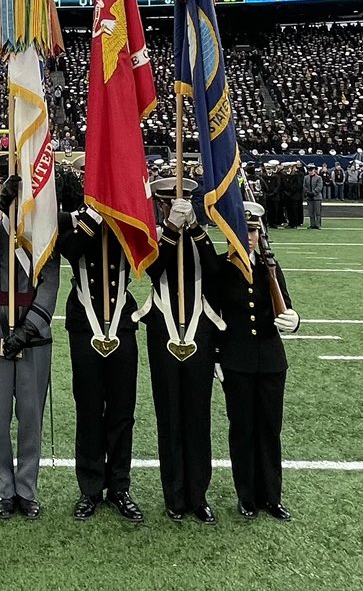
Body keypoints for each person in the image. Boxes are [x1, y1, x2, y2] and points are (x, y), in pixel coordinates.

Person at [55, 161, 145, 523]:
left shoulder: (126, 215)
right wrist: (92, 217)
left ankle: (120, 486)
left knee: (122, 410)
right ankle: (90, 488)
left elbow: (145, 254)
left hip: (122, 322)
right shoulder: (71, 217)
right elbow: (67, 250)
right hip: (84, 324)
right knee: (89, 408)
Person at [0, 171, 58, 519]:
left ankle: (27, 488)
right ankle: (4, 488)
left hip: (32, 335)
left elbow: (49, 283)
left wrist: (31, 327)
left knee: (31, 417)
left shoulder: (44, 224)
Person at [138, 176, 221, 523]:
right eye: (171, 201)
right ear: (160, 204)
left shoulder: (200, 237)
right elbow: (153, 270)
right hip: (164, 333)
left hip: (200, 333)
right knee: (169, 415)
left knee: (198, 416)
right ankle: (174, 493)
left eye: (183, 200)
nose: (177, 205)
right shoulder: (155, 237)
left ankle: (198, 495)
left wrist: (197, 229)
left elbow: (215, 273)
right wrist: (171, 228)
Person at [210, 203, 298, 521]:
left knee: (269, 430)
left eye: (253, 230)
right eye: (243, 229)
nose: (248, 236)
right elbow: (214, 318)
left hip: (272, 361)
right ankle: (246, 496)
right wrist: (217, 356)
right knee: (243, 430)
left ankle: (272, 497)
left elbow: (285, 307)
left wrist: (294, 320)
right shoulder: (221, 268)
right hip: (237, 361)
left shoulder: (269, 267)